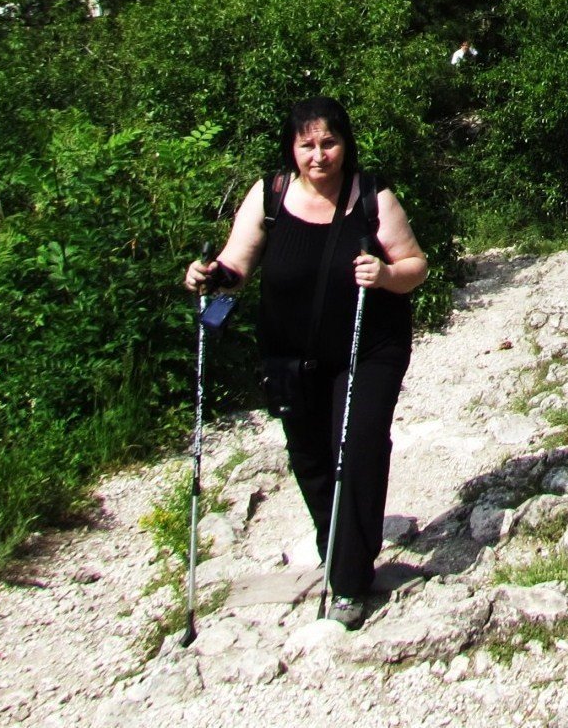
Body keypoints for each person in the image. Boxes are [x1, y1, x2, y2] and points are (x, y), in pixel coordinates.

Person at [183, 97, 428, 627]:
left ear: (346, 143)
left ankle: (347, 581)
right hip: (290, 354)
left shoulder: (371, 196)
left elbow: (415, 265)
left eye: (329, 143)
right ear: (292, 149)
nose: (319, 156)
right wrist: (210, 276)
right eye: (307, 145)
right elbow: (237, 262)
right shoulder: (270, 195)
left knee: (357, 447)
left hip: (370, 348)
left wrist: (385, 276)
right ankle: (345, 551)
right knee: (312, 459)